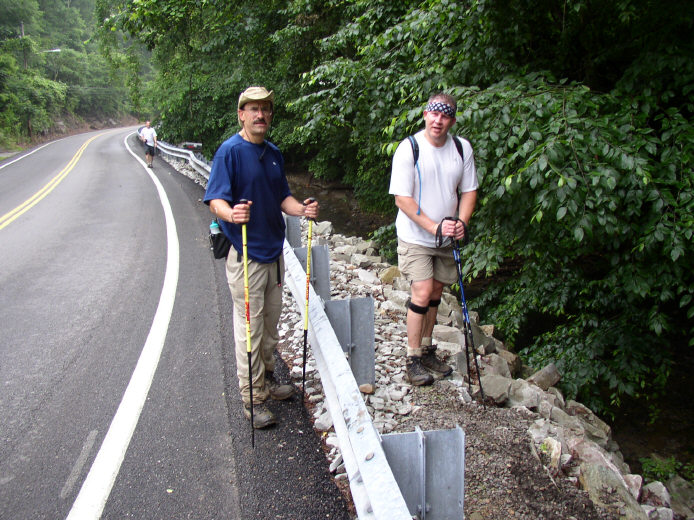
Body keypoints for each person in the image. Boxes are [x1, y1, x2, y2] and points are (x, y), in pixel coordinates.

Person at [204, 86, 320, 428]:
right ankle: (252, 398)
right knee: (250, 329)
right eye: (253, 109)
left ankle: (267, 379)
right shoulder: (229, 152)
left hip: (274, 254)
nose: (260, 115)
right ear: (241, 114)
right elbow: (215, 200)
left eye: (265, 110)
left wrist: (302, 209)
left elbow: (282, 196)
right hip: (246, 256)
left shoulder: (273, 153)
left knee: (270, 325)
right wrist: (231, 215)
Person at [389, 92, 478, 386]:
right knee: (423, 291)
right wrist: (433, 226)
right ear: (425, 114)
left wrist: (461, 223)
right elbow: (402, 199)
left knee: (437, 292)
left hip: (445, 238)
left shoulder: (462, 149)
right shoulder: (409, 148)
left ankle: (427, 349)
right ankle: (412, 357)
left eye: (445, 115)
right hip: (415, 235)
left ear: (452, 120)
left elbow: (469, 192)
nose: (438, 121)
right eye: (433, 114)